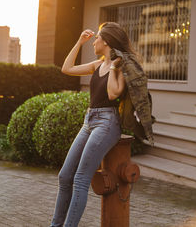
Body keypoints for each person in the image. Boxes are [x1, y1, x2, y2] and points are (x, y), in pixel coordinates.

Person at [50, 22, 134, 227]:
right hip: (90, 121)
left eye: (97, 37)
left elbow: (114, 93)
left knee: (80, 179)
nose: (93, 41)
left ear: (105, 41)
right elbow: (67, 68)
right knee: (65, 175)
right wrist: (79, 41)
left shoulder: (120, 66)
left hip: (107, 123)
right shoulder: (97, 65)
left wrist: (114, 66)